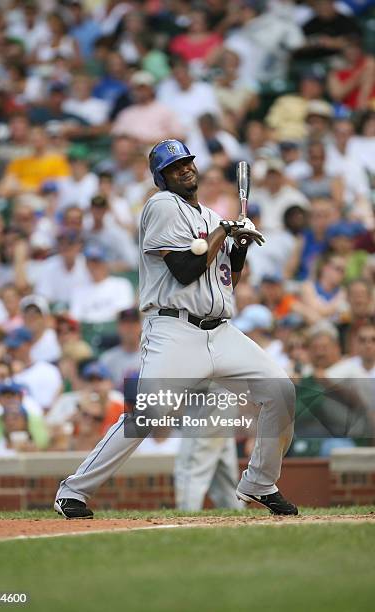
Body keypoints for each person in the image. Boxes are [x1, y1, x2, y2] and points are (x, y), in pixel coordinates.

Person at [55, 139, 298, 519]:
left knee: (280, 390)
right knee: (148, 416)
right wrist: (225, 233)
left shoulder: (213, 217)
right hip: (175, 330)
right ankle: (74, 491)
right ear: (162, 178)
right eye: (174, 167)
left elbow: (227, 278)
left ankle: (260, 483)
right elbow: (185, 271)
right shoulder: (161, 206)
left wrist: (241, 245)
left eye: (186, 162)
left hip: (221, 331)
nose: (184, 169)